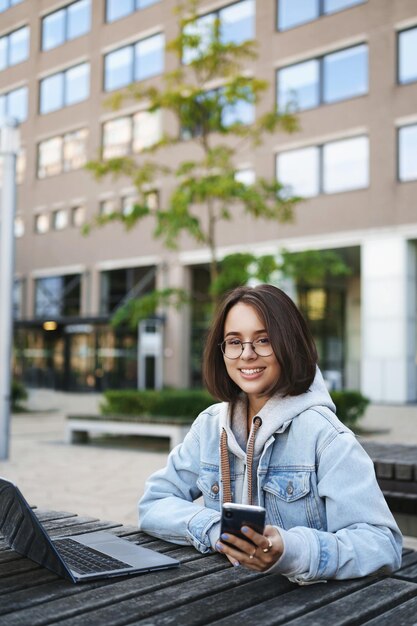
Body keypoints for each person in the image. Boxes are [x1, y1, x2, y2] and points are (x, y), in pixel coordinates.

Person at [139, 284, 402, 583]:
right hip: (226, 597)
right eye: (234, 341)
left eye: (263, 340)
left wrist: (292, 550)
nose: (247, 355)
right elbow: (153, 503)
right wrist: (217, 530)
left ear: (289, 344)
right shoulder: (210, 427)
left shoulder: (325, 436)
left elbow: (382, 544)